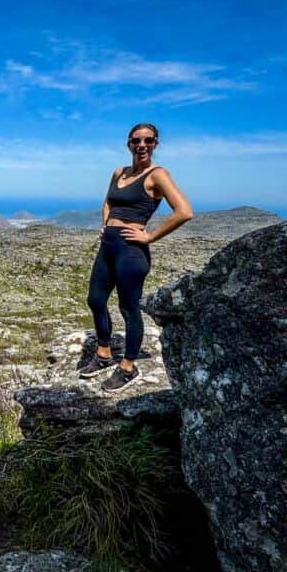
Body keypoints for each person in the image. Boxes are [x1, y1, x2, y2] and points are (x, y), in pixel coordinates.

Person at [77, 123, 193, 392]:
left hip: (131, 251)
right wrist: (107, 224)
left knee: (128, 309)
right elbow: (108, 201)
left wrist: (150, 237)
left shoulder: (158, 175)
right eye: (136, 140)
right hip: (108, 246)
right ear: (128, 143)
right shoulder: (119, 172)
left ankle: (128, 366)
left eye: (148, 141)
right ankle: (104, 354)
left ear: (155, 144)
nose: (142, 145)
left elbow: (184, 211)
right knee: (95, 300)